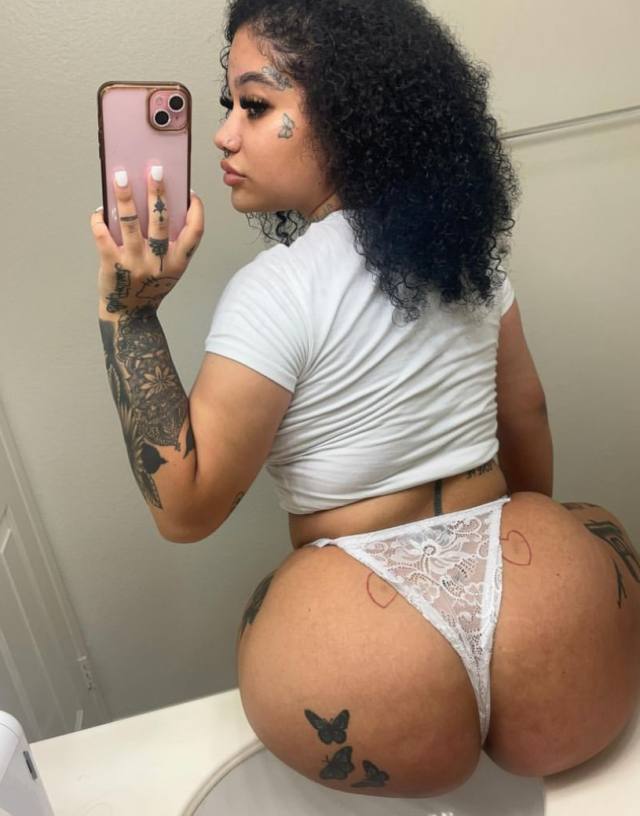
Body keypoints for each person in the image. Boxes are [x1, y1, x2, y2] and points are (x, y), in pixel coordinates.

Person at [90, 0, 640, 799]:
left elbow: (187, 507)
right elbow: (527, 417)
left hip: (369, 666)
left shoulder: (277, 288)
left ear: (350, 116)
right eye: (228, 106)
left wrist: (129, 317)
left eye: (255, 105)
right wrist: (522, 562)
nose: (224, 135)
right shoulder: (465, 260)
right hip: (557, 618)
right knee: (596, 526)